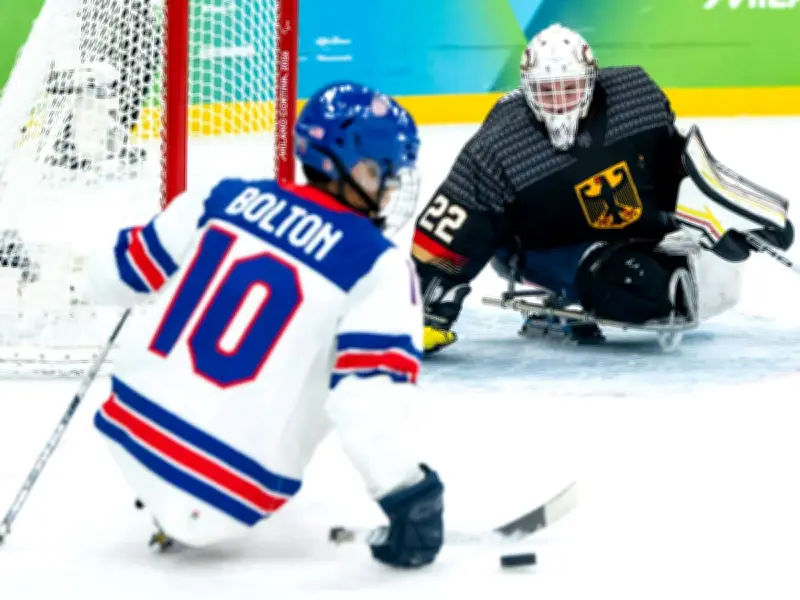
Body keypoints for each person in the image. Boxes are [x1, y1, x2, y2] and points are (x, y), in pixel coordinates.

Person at [81, 82, 444, 569]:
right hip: (225, 491)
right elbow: (367, 403)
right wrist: (408, 494)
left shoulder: (221, 195)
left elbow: (117, 276)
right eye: (382, 171)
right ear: (344, 166)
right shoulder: (378, 266)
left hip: (126, 430)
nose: (393, 187)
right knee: (339, 352)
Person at [413, 23, 793, 353]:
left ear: (592, 79)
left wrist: (727, 209)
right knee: (645, 290)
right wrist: (426, 312)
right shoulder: (502, 143)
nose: (559, 103)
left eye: (570, 88)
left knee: (702, 274)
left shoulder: (636, 99)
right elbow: (455, 221)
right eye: (547, 92)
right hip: (549, 246)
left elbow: (675, 165)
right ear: (527, 89)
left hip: (637, 230)